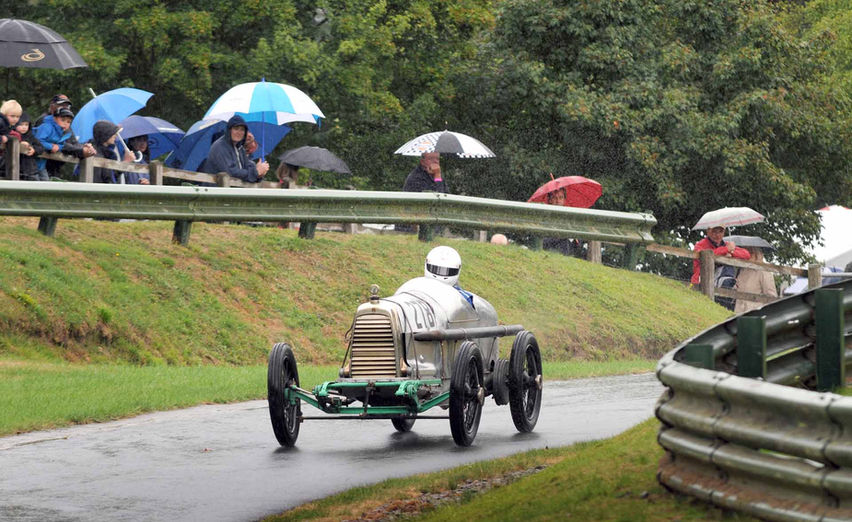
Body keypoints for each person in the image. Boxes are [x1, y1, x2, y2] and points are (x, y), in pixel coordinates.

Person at [34, 94, 95, 177]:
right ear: (52, 106)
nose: (64, 108)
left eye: (67, 106)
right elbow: (61, 144)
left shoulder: (65, 124)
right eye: (61, 105)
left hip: (54, 168)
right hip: (39, 166)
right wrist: (80, 150)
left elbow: (73, 143)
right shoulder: (45, 121)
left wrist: (86, 148)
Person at [201, 115, 269, 182]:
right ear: (229, 130)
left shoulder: (240, 149)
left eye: (242, 130)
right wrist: (256, 172)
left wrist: (260, 172)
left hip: (232, 190)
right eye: (236, 128)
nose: (239, 132)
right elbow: (230, 172)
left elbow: (247, 167)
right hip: (216, 190)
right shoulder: (220, 146)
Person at [734, 246, 778, 313]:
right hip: (738, 311)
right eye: (746, 252)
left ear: (757, 254)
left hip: (755, 312)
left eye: (751, 253)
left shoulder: (764, 271)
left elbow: (771, 296)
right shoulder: (742, 270)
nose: (748, 255)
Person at [13, 113, 47, 181]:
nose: (24, 127)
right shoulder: (12, 136)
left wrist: (34, 150)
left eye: (26, 124)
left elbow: (41, 148)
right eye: (21, 124)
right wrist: (20, 143)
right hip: (15, 170)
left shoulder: (30, 136)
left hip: (30, 170)